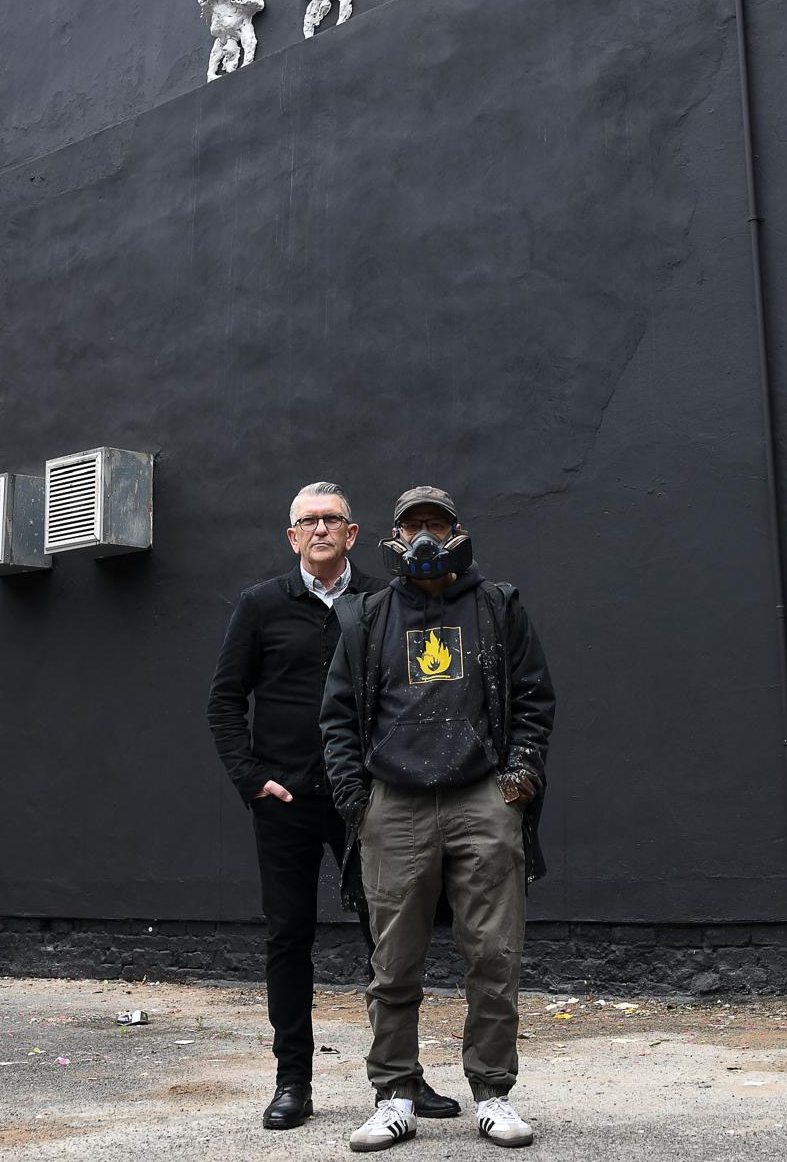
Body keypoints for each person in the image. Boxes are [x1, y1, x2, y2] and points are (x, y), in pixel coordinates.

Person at [207, 481, 459, 1131]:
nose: (320, 529)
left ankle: (401, 1081)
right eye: (307, 521)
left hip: (371, 799)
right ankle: (293, 1083)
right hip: (286, 801)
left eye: (332, 520)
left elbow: (416, 690)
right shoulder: (261, 605)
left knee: (391, 939)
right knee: (289, 938)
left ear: (352, 533)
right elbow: (225, 701)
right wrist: (252, 778)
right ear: (293, 537)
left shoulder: (384, 600)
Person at [321, 486, 556, 1152]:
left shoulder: (497, 605)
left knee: (493, 954)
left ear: (458, 531)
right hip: (393, 802)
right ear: (393, 538)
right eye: (412, 526)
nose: (425, 538)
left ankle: (493, 1094)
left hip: (484, 796)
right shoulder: (365, 615)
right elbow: (337, 715)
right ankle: (394, 1096)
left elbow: (535, 696)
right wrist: (354, 798)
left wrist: (521, 776)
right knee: (393, 961)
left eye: (436, 525)